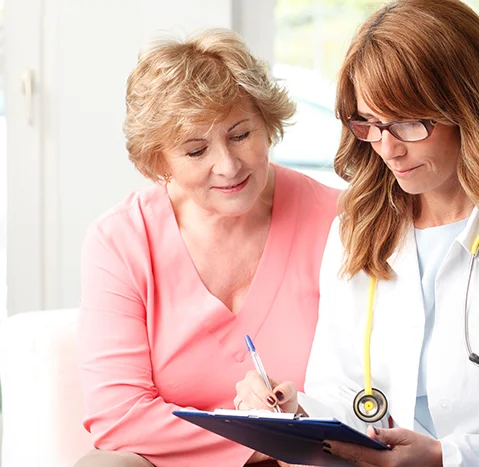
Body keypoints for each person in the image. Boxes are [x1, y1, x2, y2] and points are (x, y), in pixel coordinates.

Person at [233, 1, 479, 466]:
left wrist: (445, 457)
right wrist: (296, 411)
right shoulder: (357, 230)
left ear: (466, 108)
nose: (388, 148)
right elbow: (344, 395)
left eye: (409, 122)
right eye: (370, 123)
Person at [75, 29, 339, 467]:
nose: (229, 166)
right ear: (159, 161)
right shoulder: (120, 240)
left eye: (240, 135)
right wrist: (258, 443)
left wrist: (297, 428)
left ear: (267, 123)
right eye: (196, 150)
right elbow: (117, 417)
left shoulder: (336, 219)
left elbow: (372, 388)